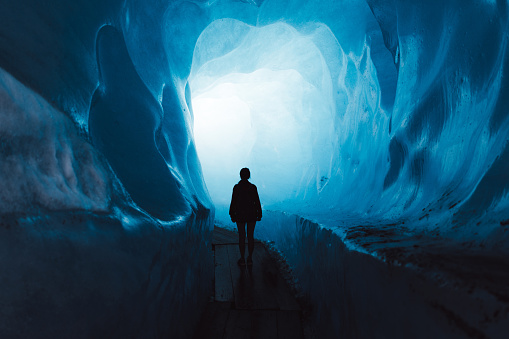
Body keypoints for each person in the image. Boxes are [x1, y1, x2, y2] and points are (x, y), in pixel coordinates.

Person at [229, 168, 262, 266]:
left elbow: (233, 202)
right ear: (248, 175)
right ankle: (250, 258)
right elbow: (257, 202)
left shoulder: (236, 187)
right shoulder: (253, 187)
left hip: (240, 215)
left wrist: (232, 214)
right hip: (251, 214)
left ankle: (242, 258)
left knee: (242, 237)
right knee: (250, 236)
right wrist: (259, 213)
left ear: (240, 175)